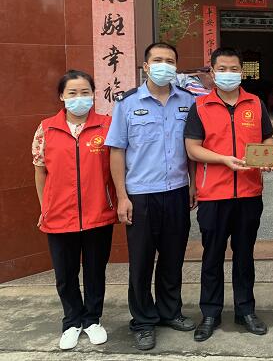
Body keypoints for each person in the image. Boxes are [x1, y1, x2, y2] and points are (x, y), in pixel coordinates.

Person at [105, 42, 196, 351]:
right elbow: (117, 151)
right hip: (141, 195)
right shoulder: (128, 103)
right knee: (141, 261)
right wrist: (122, 196)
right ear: (145, 66)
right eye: (157, 60)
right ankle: (143, 320)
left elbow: (191, 148)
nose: (164, 65)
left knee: (173, 257)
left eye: (170, 61)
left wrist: (192, 184)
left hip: (177, 192)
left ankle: (170, 312)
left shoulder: (187, 101)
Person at [184, 48, 273, 342]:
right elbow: (192, 148)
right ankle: (210, 313)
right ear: (212, 72)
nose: (228, 73)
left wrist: (269, 157)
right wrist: (223, 160)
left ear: (241, 72)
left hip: (249, 193)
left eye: (234, 68)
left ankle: (245, 310)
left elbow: (267, 139)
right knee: (212, 257)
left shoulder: (255, 103)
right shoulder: (200, 106)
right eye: (222, 68)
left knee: (244, 256)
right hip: (213, 195)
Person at [32, 70, 117, 350]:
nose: (79, 98)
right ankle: (71, 321)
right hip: (58, 216)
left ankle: (92, 319)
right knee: (65, 274)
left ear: (93, 95)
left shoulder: (106, 125)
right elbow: (40, 171)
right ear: (61, 96)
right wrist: (45, 207)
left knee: (95, 271)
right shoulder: (46, 129)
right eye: (72, 93)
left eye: (85, 92)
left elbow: (117, 168)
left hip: (98, 213)